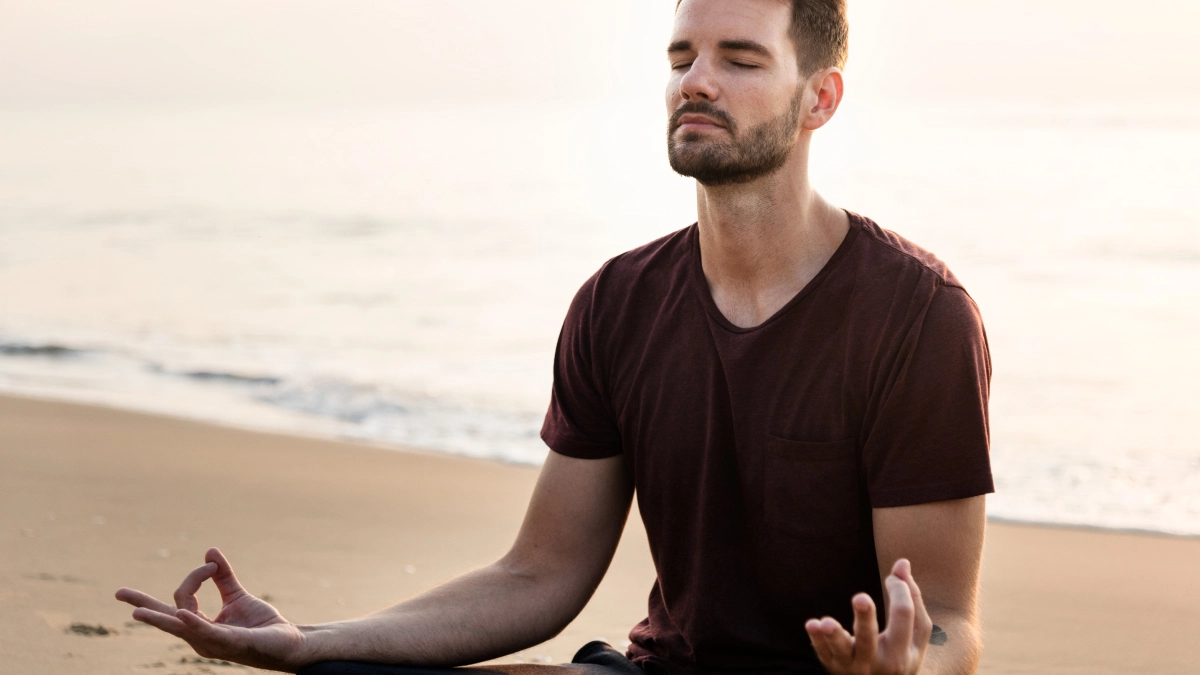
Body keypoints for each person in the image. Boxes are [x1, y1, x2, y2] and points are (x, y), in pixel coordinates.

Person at [116, 1, 993, 673]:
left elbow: (949, 615)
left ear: (820, 98)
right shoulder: (618, 302)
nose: (696, 80)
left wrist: (910, 664)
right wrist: (315, 639)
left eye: (740, 58)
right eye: (682, 56)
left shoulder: (918, 317)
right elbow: (539, 574)